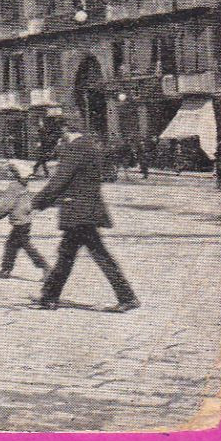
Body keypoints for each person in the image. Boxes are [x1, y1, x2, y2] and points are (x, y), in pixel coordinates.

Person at [30, 113, 140, 312]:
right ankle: (49, 297)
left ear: (65, 129)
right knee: (68, 255)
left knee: (86, 256)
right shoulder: (91, 146)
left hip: (78, 212)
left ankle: (127, 297)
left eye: (59, 131)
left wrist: (36, 201)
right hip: (87, 210)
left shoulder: (76, 148)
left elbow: (60, 181)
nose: (58, 136)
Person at [0, 161, 48, 278]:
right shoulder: (24, 185)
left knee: (26, 246)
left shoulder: (14, 186)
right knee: (11, 244)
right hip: (25, 221)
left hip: (19, 222)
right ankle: (6, 269)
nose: (8, 173)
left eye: (10, 171)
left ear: (16, 174)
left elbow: (7, 205)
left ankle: (45, 267)